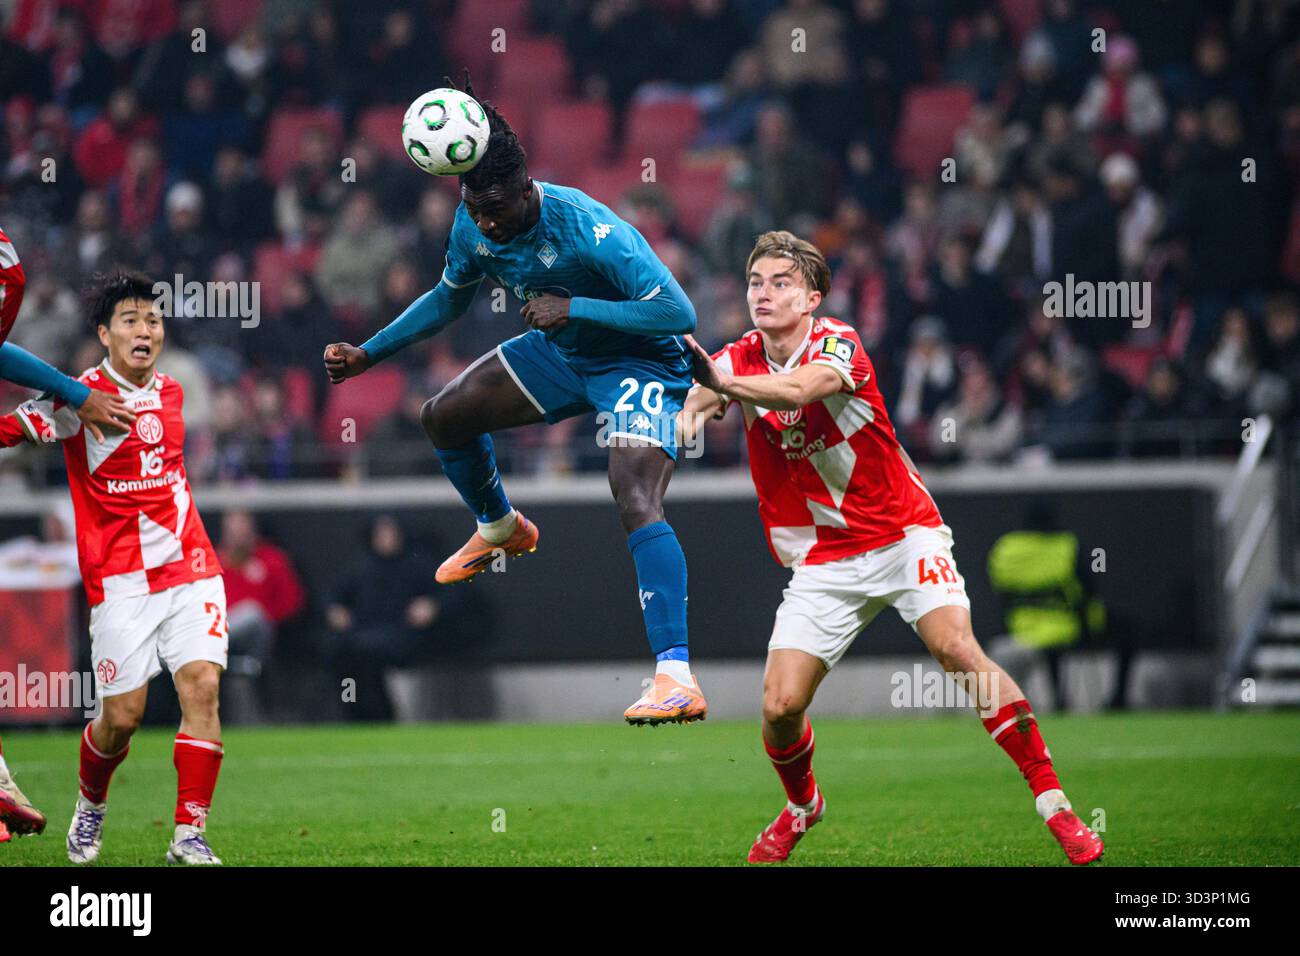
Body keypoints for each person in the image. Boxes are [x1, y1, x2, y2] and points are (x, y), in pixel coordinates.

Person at [682, 231, 1103, 865]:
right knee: (778, 707)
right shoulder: (738, 358)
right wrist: (688, 412)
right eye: (755, 283)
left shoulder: (839, 343)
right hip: (826, 556)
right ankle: (803, 807)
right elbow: (703, 394)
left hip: (904, 533)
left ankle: (1056, 805)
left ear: (812, 297)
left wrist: (719, 384)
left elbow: (799, 391)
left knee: (957, 648)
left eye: (780, 283)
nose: (762, 294)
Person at [324, 73, 703, 726]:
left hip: (636, 360)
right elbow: (448, 297)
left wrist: (573, 305)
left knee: (633, 491)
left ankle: (675, 675)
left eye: (500, 210)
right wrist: (369, 353)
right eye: (478, 211)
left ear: (527, 189)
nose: (490, 225)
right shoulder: (474, 225)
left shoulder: (586, 224)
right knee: (444, 416)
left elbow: (676, 308)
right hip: (562, 356)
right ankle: (500, 526)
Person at [0, 271, 228, 866]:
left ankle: (189, 836)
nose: (144, 329)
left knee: (202, 686)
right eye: (129, 320)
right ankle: (91, 804)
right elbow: (12, 430)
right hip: (120, 583)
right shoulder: (78, 399)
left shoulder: (176, 392)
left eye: (152, 319)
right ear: (104, 334)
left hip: (191, 566)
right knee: (121, 719)